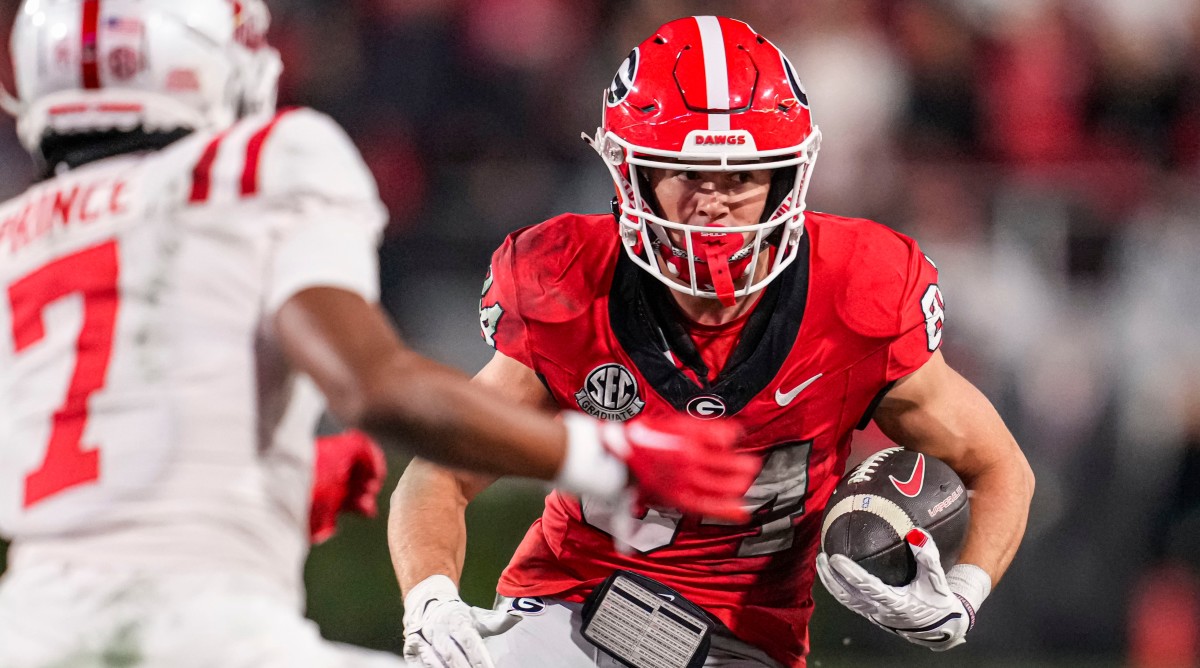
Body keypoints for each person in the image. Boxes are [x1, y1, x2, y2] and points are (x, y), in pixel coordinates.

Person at [0, 3, 759, 667]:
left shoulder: (15, 237)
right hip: (211, 635)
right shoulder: (263, 162)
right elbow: (372, 386)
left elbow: (73, 461)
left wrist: (271, 478)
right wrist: (608, 456)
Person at [390, 15, 1036, 668]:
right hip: (572, 615)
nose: (713, 203)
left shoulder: (858, 290)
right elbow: (439, 473)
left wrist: (962, 592)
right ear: (632, 176)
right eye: (687, 174)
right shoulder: (567, 282)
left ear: (787, 180)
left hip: (747, 649)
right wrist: (432, 596)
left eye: (740, 177)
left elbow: (1000, 468)